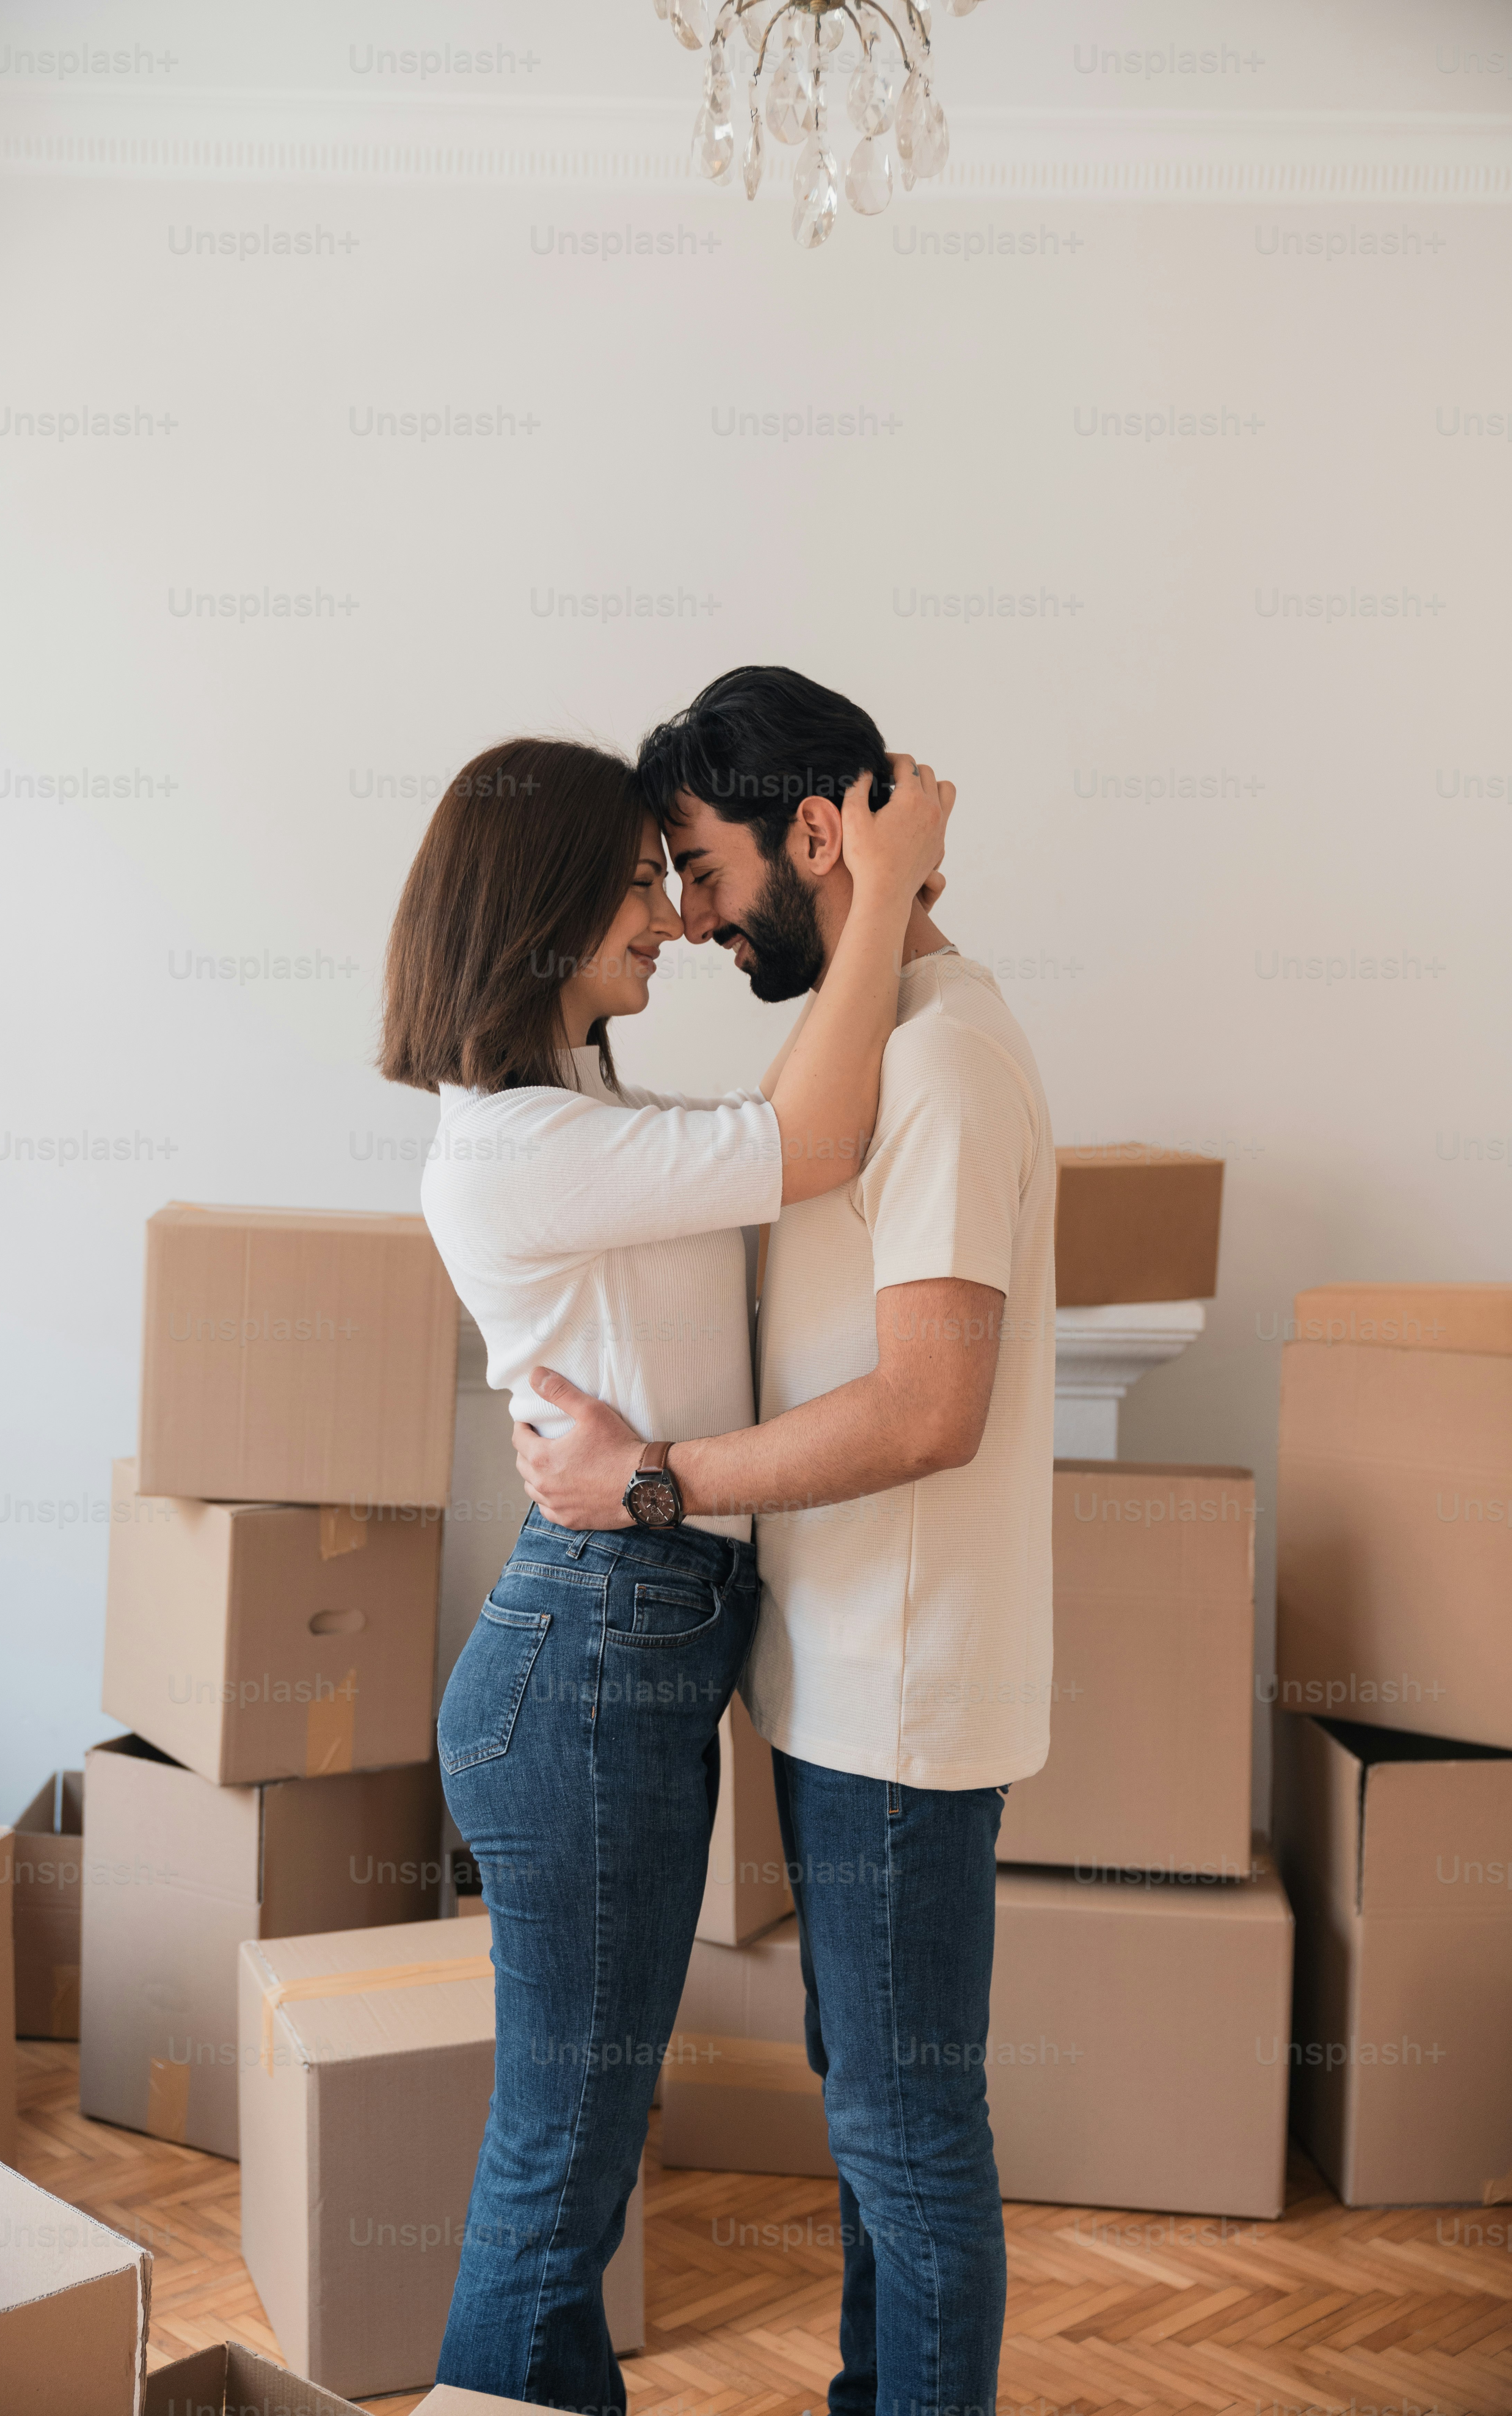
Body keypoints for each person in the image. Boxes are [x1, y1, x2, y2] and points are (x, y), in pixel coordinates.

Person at [379, 728, 951, 2416]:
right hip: (588, 1669)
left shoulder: (578, 1110)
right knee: (563, 2164)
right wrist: (893, 870)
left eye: (670, 879)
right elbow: (811, 1146)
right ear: (543, 901)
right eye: (642, 883)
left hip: (618, 1649)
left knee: (576, 2145)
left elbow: (778, 1145)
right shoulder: (514, 1145)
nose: (674, 921)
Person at [514, 666, 1058, 2416]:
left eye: (698, 867)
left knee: (905, 2134)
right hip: (844, 1684)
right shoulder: (870, 1042)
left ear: (812, 836)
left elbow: (926, 1409)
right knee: (878, 2111)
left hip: (900, 1700)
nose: (685, 919)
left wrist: (651, 1481)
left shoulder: (946, 1061)